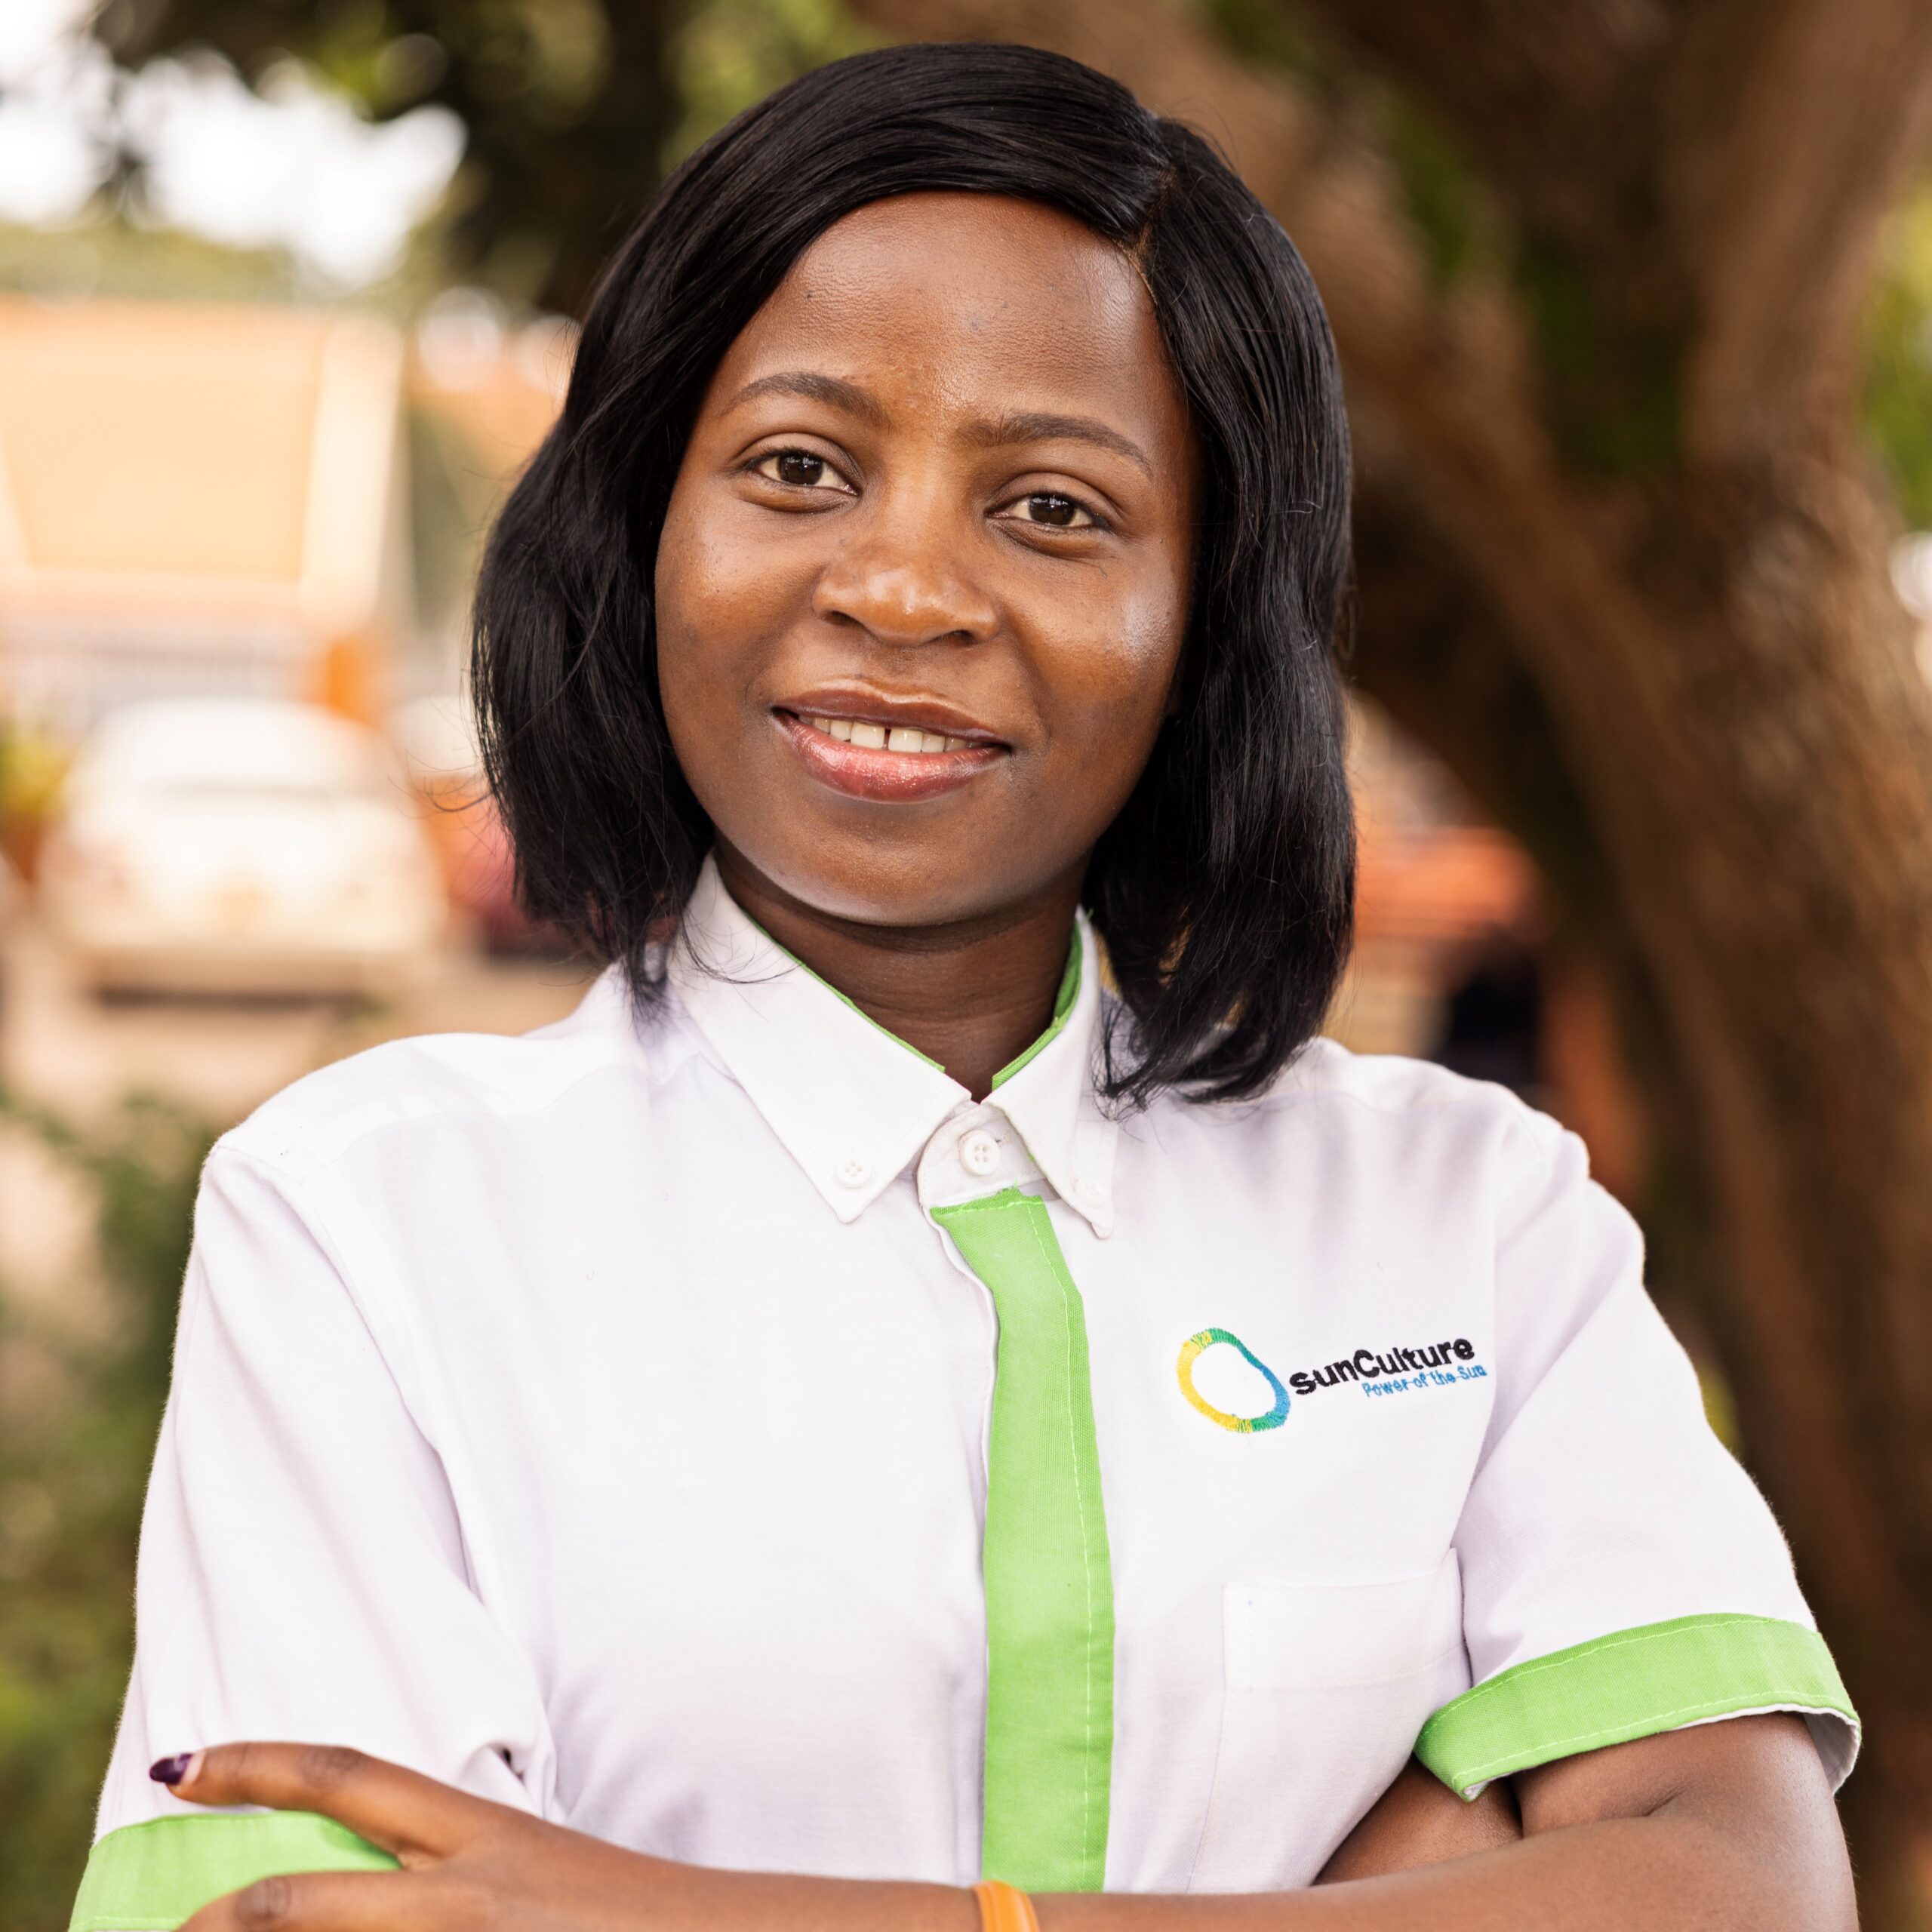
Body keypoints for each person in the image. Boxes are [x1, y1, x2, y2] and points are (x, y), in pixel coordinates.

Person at [73, 42, 1857, 1932]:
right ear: (644, 525)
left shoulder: (1470, 1218)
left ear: (1207, 614)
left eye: (1053, 507)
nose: (904, 589)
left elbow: (1741, 1889)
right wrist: (1396, 1870)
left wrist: (677, 1907)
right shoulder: (365, 1225)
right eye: (797, 468)